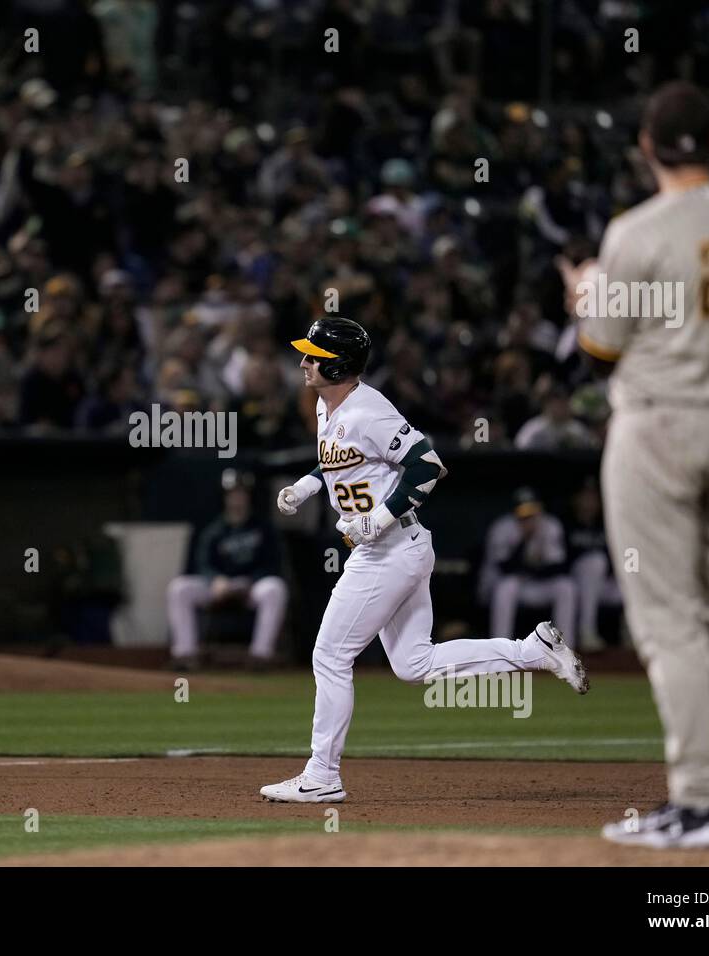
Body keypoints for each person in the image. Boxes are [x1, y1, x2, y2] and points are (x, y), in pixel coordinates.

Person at [561, 81, 709, 847]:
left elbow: (599, 353)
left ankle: (697, 801)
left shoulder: (637, 228)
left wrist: (585, 295)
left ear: (647, 149)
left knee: (669, 621)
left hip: (658, 425)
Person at [259, 317, 588, 803]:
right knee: (414, 664)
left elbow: (429, 464)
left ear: (341, 365)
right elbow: (339, 458)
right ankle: (533, 651)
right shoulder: (331, 405)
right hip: (398, 550)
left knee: (330, 655)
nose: (305, 362)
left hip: (387, 551)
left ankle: (322, 775)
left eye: (315, 356)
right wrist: (309, 485)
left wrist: (381, 518)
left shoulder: (368, 410)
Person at [166, 469, 287, 671]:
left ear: (249, 496)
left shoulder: (264, 529)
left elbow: (273, 564)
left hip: (252, 586)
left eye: (241, 494)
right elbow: (202, 564)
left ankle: (260, 655)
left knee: (275, 588)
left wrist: (251, 581)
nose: (237, 499)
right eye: (233, 494)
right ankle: (185, 654)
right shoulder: (214, 531)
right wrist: (215, 580)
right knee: (179, 588)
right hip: (219, 586)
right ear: (225, 497)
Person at [479, 488, 578, 646]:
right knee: (507, 586)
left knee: (566, 586)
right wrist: (525, 540)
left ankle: (564, 648)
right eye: (523, 511)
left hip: (536, 584)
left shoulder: (550, 525)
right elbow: (506, 568)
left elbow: (558, 567)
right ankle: (500, 647)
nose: (529, 517)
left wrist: (533, 568)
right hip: (503, 586)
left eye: (533, 510)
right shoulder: (503, 528)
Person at [567, 477, 622, 653]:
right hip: (573, 583)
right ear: (575, 499)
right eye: (585, 497)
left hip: (602, 586)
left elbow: (626, 555)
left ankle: (633, 635)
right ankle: (586, 631)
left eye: (593, 497)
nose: (589, 502)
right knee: (595, 562)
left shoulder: (606, 525)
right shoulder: (566, 523)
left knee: (631, 580)